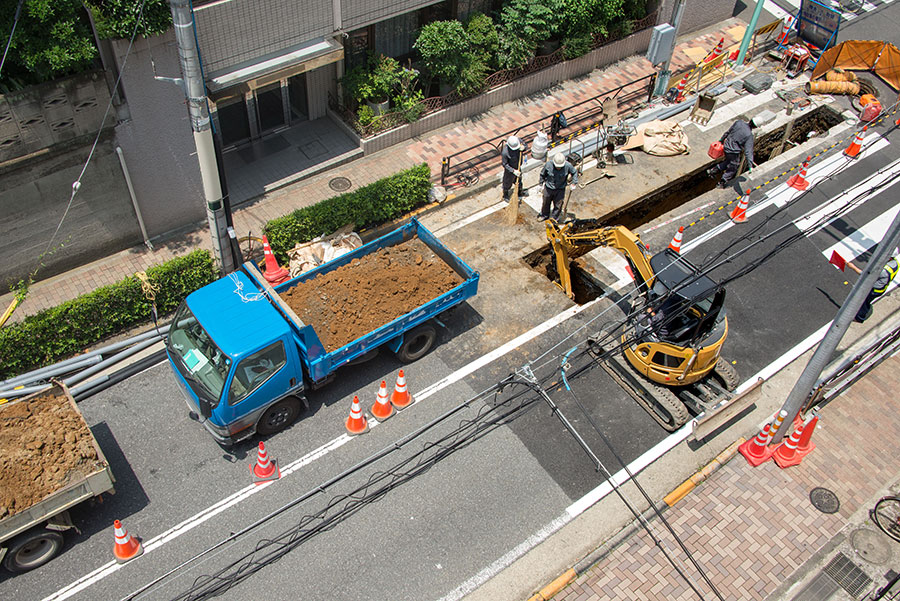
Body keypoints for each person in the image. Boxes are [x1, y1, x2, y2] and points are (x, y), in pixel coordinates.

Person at [709, 118, 757, 188]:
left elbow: (728, 132)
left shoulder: (739, 122)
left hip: (726, 146)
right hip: (733, 151)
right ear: (755, 127)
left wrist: (721, 140)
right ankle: (722, 182)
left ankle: (713, 170)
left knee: (729, 162)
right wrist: (750, 166)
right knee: (733, 167)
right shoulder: (749, 135)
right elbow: (748, 151)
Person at [854, 252, 898, 323]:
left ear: (890, 258)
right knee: (866, 301)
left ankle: (859, 318)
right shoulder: (896, 263)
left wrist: (852, 266)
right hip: (882, 288)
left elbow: (865, 275)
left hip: (874, 290)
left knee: (864, 302)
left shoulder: (883, 271)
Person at [538, 152, 578, 221]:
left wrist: (574, 183)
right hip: (548, 188)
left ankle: (554, 218)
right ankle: (544, 215)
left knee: (558, 205)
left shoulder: (568, 165)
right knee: (545, 203)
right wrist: (540, 184)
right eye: (557, 166)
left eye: (560, 167)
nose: (558, 168)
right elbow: (542, 174)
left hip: (560, 189)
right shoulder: (548, 165)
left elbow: (574, 172)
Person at [501, 136, 526, 201]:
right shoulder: (505, 152)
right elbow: (505, 164)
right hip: (510, 171)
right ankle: (505, 195)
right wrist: (513, 171)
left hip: (518, 167)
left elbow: (525, 145)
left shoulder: (518, 142)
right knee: (507, 183)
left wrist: (524, 147)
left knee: (519, 181)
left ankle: (519, 192)